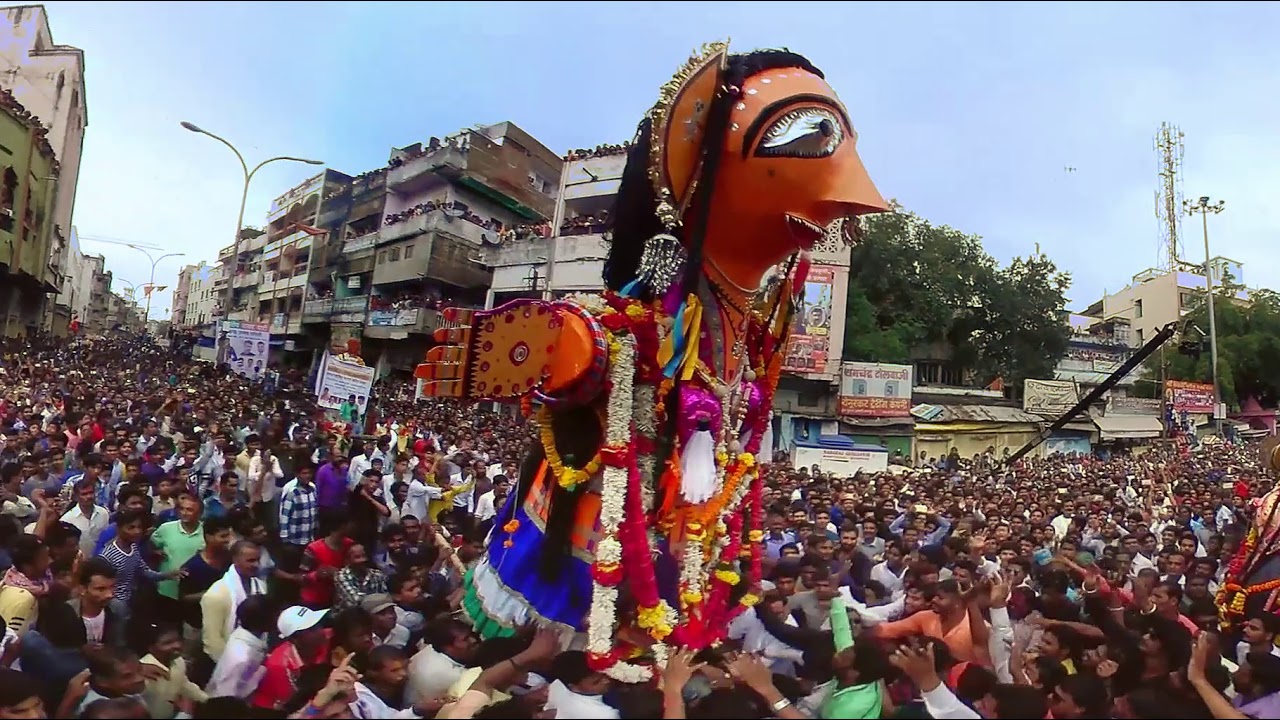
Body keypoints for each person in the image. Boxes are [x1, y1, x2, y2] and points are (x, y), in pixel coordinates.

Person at [251, 606, 330, 712]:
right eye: (312, 629)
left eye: (318, 624)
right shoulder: (278, 667)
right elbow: (297, 707)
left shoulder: (328, 637)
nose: (321, 630)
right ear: (294, 639)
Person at [199, 540, 265, 663]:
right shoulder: (216, 595)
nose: (256, 565)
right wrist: (230, 664)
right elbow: (212, 640)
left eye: (258, 560)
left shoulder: (260, 585)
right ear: (235, 560)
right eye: (251, 561)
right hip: (226, 662)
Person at [204, 594, 275, 699]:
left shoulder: (246, 633)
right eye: (274, 615)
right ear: (263, 621)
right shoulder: (241, 658)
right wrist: (262, 670)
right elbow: (226, 697)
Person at [139, 622, 207, 718]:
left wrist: (208, 700)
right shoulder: (144, 672)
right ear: (152, 648)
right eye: (167, 643)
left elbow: (184, 684)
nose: (177, 645)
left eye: (178, 640)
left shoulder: (179, 661)